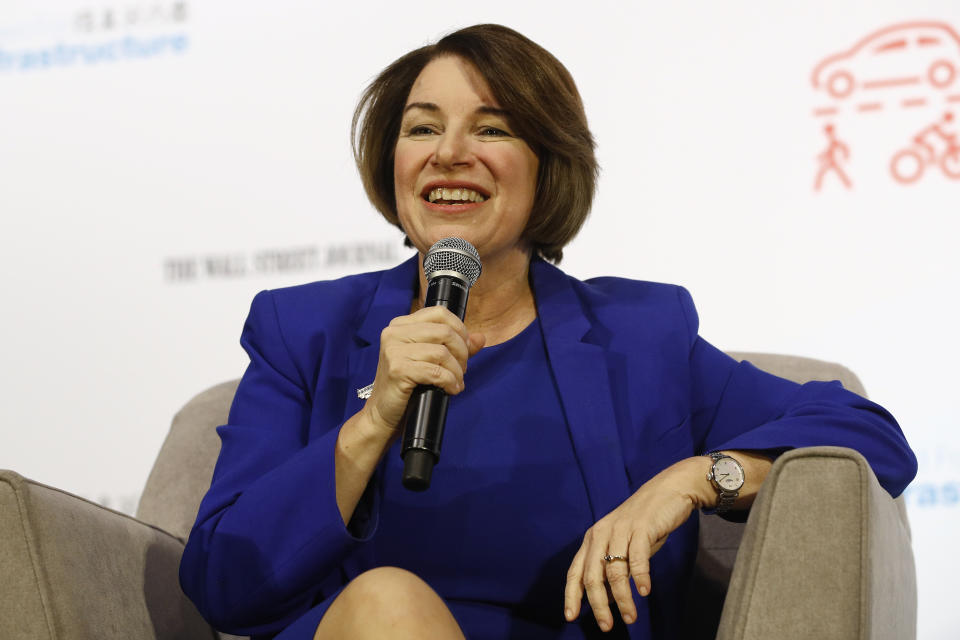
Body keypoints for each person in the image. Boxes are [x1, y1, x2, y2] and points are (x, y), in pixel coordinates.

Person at [179, 24, 917, 640]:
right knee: (386, 603)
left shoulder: (640, 338)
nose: (448, 152)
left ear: (547, 167)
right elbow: (225, 585)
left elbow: (870, 435)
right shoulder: (301, 331)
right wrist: (373, 421)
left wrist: (697, 478)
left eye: (491, 128)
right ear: (392, 162)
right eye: (422, 127)